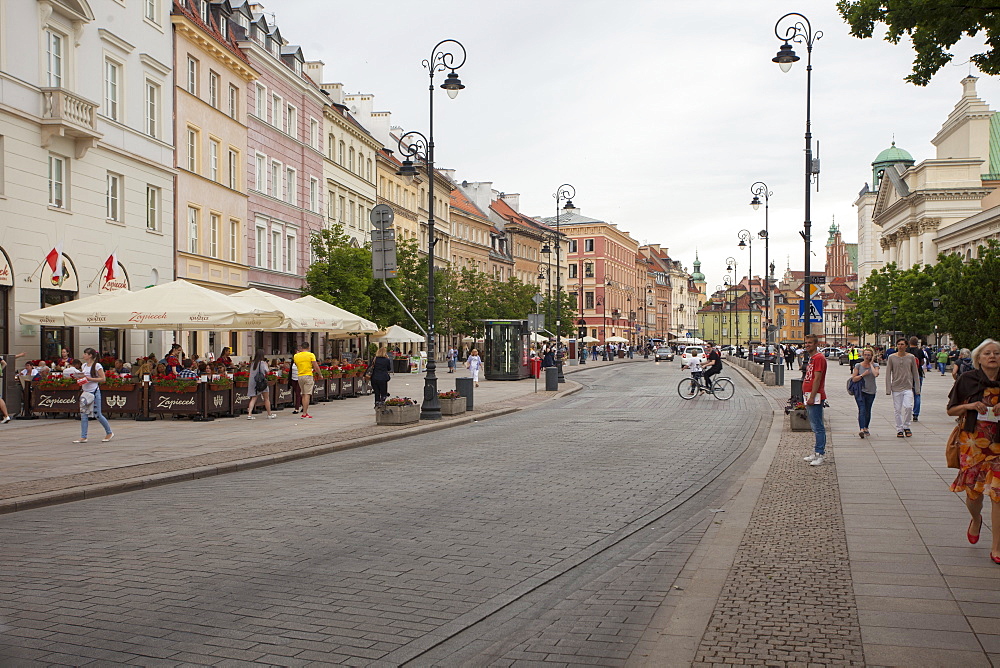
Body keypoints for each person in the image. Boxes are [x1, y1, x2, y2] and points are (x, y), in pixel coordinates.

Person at [947, 339, 1000, 563]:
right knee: (974, 493)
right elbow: (951, 410)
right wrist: (969, 406)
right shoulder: (966, 380)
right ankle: (976, 519)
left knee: (998, 495)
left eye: (997, 353)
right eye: (987, 353)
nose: (993, 357)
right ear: (978, 358)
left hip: (998, 443)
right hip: (973, 442)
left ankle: (996, 548)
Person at [73, 347, 113, 444]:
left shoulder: (97, 366)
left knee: (97, 414)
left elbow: (103, 379)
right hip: (85, 391)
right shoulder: (84, 366)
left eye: (85, 354)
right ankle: (83, 436)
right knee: (83, 414)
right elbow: (84, 377)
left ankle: (109, 432)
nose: (84, 355)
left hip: (94, 391)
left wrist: (89, 379)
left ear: (90, 355)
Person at [885, 337, 921, 438]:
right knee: (897, 409)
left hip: (907, 386)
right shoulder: (892, 357)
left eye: (902, 344)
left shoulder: (911, 357)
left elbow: (915, 373)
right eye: (899, 344)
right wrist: (888, 388)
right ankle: (899, 429)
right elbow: (888, 373)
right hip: (896, 386)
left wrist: (917, 388)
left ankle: (906, 426)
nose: (900, 346)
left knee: (908, 407)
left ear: (906, 346)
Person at [801, 334, 828, 466]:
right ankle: (816, 451)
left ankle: (820, 453)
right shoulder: (812, 358)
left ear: (816, 344)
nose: (807, 345)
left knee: (818, 426)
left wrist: (812, 396)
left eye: (810, 343)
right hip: (809, 394)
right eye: (806, 343)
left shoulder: (819, 358)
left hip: (815, 396)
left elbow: (817, 379)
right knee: (814, 425)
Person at [851, 348, 880, 438]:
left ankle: (866, 427)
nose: (867, 357)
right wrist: (863, 375)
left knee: (868, 410)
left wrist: (871, 364)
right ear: (863, 355)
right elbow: (854, 378)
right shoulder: (858, 366)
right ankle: (862, 429)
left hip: (871, 391)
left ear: (872, 356)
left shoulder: (875, 365)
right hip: (860, 391)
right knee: (862, 410)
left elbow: (876, 374)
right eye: (865, 355)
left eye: (869, 355)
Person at [293, 341, 322, 418]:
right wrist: (320, 374)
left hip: (299, 376)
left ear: (301, 347)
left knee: (303, 394)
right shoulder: (311, 355)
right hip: (308, 375)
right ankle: (304, 413)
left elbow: (296, 364)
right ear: (308, 348)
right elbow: (315, 366)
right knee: (307, 395)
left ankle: (304, 411)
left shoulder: (296, 356)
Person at [245, 348, 276, 419]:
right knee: (266, 399)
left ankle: (249, 414)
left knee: (253, 398)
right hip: (262, 383)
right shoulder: (263, 363)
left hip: (254, 383)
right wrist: (268, 366)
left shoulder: (253, 363)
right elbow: (267, 371)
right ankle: (269, 414)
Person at [908, 337, 927, 422]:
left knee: (907, 394)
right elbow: (922, 362)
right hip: (918, 373)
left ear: (909, 342)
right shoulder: (920, 351)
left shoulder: (907, 351)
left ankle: (907, 411)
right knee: (917, 394)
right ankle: (916, 414)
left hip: (908, 374)